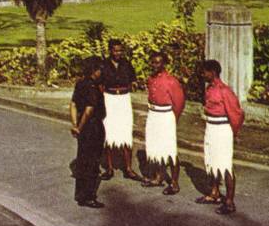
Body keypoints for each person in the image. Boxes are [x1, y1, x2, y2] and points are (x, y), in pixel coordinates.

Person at [197, 59, 245, 215]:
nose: (202, 74)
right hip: (210, 128)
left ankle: (230, 202)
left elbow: (237, 114)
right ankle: (214, 193)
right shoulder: (209, 89)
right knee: (211, 161)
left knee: (225, 165)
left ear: (213, 72)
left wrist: (234, 132)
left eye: (204, 71)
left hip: (222, 130)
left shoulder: (225, 91)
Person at [141, 51, 185, 195]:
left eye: (158, 62)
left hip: (166, 116)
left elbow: (179, 103)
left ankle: (174, 183)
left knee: (170, 149)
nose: (154, 65)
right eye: (153, 62)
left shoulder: (171, 81)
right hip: (153, 114)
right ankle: (159, 176)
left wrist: (173, 119)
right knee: (155, 146)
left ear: (164, 63)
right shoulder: (151, 79)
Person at [100, 39, 141, 181]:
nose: (118, 53)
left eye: (120, 50)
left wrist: (133, 84)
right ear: (110, 50)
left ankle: (128, 168)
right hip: (109, 99)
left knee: (125, 132)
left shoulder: (126, 64)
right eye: (115, 50)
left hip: (123, 99)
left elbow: (133, 79)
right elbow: (100, 83)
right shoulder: (104, 65)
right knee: (109, 133)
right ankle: (109, 168)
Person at [70, 56, 106, 208]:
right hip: (92, 127)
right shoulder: (92, 87)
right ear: (94, 70)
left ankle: (80, 194)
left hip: (82, 128)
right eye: (99, 69)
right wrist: (81, 126)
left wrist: (75, 125)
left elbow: (73, 104)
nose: (101, 72)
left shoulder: (80, 83)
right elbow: (89, 109)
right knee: (92, 162)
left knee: (82, 159)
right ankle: (89, 196)